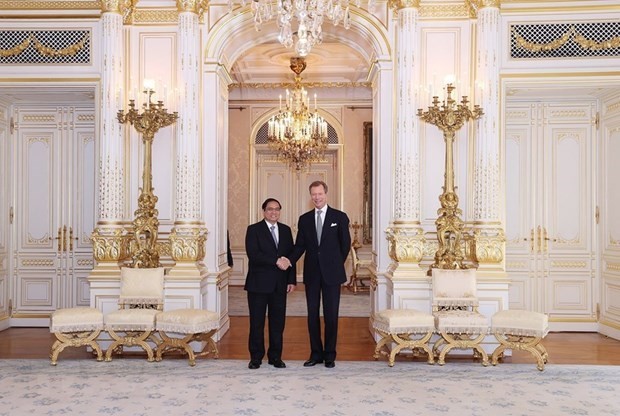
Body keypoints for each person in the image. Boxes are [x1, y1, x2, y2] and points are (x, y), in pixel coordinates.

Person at [288, 180, 351, 368]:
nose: (317, 197)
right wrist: (288, 260)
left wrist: (333, 264)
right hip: (312, 274)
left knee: (331, 315)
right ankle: (315, 353)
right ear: (311, 196)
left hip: (332, 274)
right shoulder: (304, 219)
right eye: (313, 194)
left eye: (320, 194)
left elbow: (345, 245)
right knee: (312, 314)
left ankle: (330, 354)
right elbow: (300, 245)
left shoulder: (339, 217)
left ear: (326, 193)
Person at [244, 198, 296, 370]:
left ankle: (276, 357)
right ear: (264, 211)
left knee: (278, 323)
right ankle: (256, 358)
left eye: (277, 209)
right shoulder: (253, 230)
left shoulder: (286, 230)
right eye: (270, 209)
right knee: (257, 323)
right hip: (258, 284)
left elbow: (290, 258)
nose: (274, 212)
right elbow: (254, 254)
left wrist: (291, 280)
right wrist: (276, 261)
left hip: (280, 285)